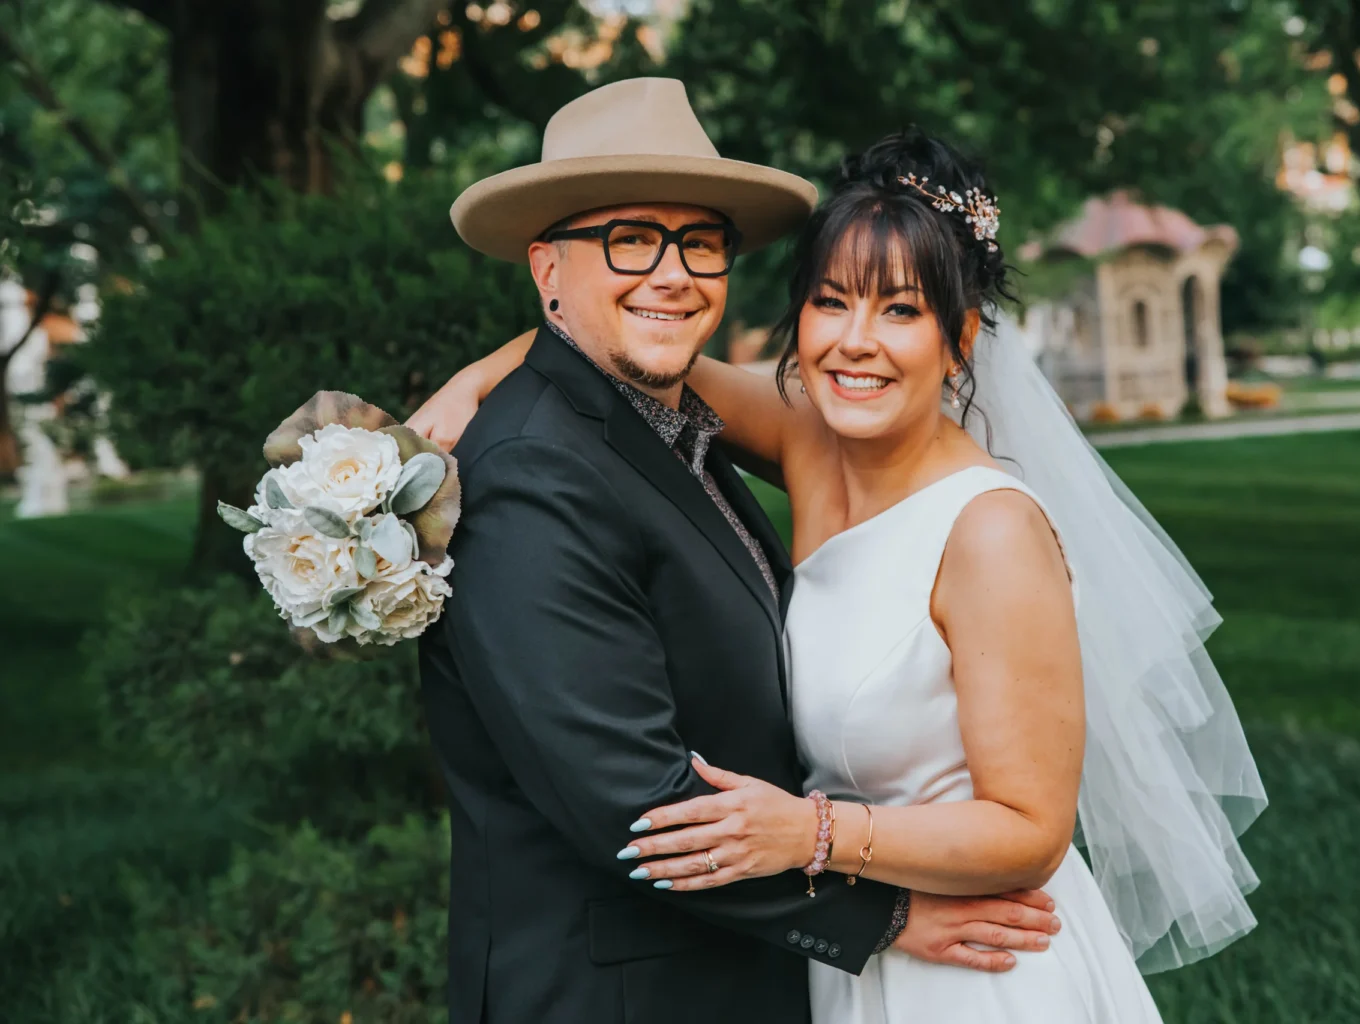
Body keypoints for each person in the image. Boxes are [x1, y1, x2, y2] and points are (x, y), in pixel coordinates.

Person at [416, 117, 1270, 1022]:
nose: (856, 341)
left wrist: (814, 834)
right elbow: (629, 345)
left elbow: (1032, 829)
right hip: (835, 957)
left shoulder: (990, 532)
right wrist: (477, 380)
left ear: (962, 336)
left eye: (900, 309)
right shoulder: (813, 446)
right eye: (832, 301)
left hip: (971, 960)